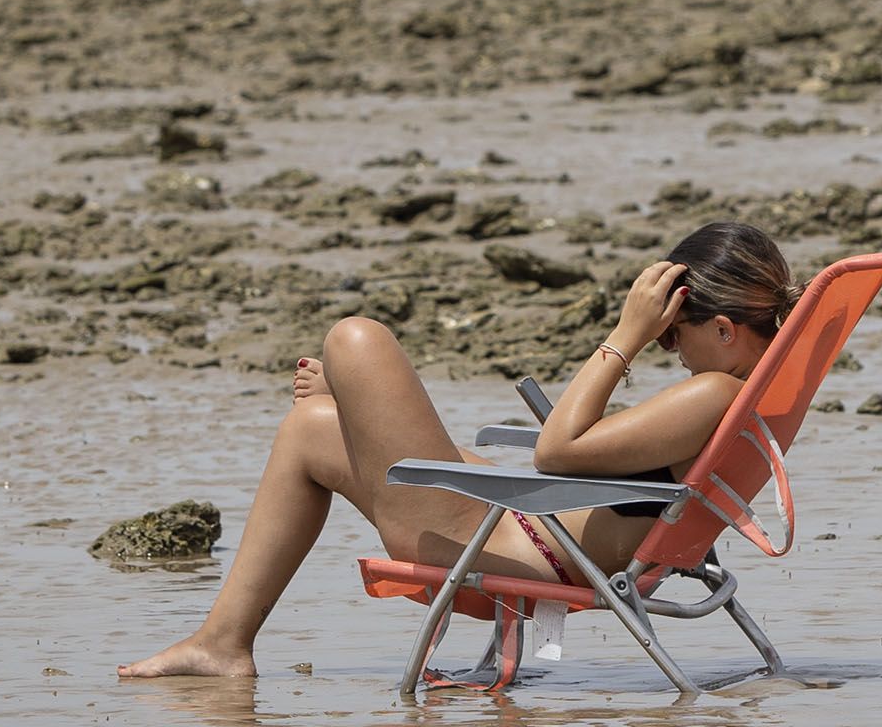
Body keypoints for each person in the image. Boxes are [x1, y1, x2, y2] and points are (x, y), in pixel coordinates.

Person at [116, 221, 802, 679]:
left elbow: (557, 453)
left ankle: (221, 643)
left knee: (356, 339)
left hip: (512, 544)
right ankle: (222, 645)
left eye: (672, 336)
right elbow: (582, 461)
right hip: (527, 527)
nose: (669, 349)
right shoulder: (753, 395)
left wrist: (623, 338)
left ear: (723, 330)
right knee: (311, 427)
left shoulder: (715, 393)